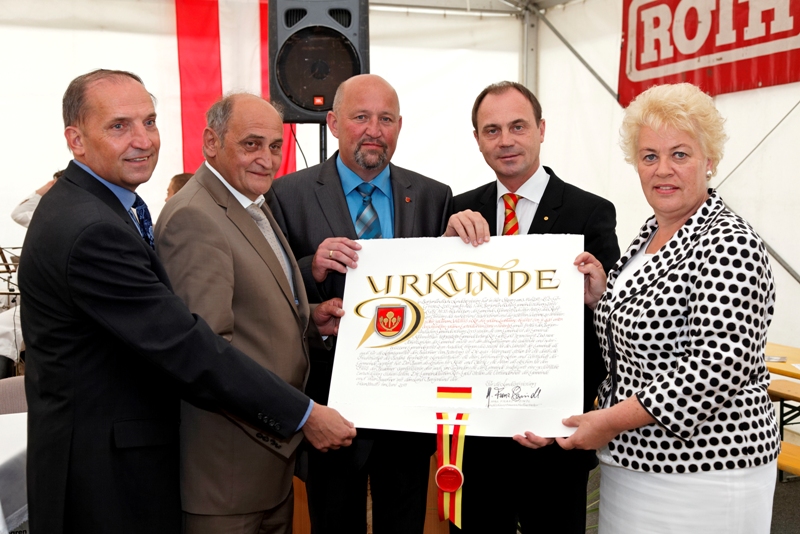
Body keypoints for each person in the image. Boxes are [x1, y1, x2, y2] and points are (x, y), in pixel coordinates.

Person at [18, 69, 356, 534]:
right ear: (76, 140)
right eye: (119, 126)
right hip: (106, 476)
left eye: (150, 122)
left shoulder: (106, 206)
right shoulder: (92, 226)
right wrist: (303, 413)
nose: (143, 140)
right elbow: (188, 345)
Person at [519, 83, 779, 533]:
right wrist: (602, 295)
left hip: (706, 471)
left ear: (709, 160)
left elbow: (716, 365)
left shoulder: (730, 241)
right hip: (632, 465)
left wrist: (606, 421)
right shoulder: (649, 237)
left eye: (680, 154)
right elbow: (646, 331)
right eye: (649, 156)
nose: (664, 170)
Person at [270, 74, 486, 534]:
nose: (374, 130)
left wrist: (457, 247)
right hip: (331, 407)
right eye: (360, 117)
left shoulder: (433, 196)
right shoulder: (287, 194)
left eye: (385, 118)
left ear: (400, 126)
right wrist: (312, 265)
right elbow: (271, 288)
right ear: (332, 122)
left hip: (408, 412)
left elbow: (446, 289)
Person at [155, 93, 343, 534]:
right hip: (226, 481)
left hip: (264, 470)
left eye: (275, 146)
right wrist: (303, 414)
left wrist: (311, 320)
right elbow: (207, 356)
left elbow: (255, 311)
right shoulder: (195, 218)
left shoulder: (249, 203)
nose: (267, 159)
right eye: (251, 144)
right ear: (211, 142)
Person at [450, 81, 619, 533]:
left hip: (555, 434)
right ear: (478, 140)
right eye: (492, 130)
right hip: (477, 439)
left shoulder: (591, 212)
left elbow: (610, 322)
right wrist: (443, 251)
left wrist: (600, 293)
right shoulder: (458, 211)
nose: (505, 140)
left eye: (518, 126)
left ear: (541, 130)